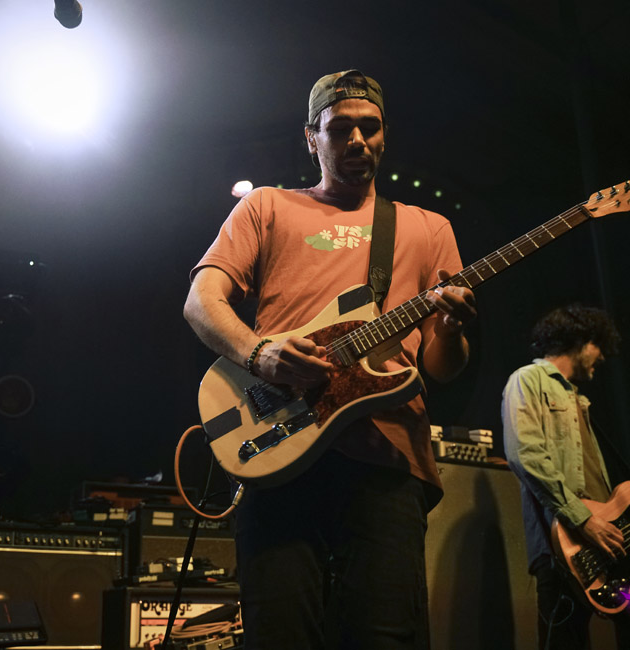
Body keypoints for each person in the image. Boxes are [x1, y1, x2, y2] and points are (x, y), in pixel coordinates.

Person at [183, 70, 477, 649]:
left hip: (388, 460)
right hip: (280, 452)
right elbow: (201, 301)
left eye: (370, 128)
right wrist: (259, 353)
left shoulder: (427, 227)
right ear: (311, 138)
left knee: (384, 636)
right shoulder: (267, 206)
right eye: (341, 128)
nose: (358, 140)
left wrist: (449, 327)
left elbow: (442, 367)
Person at [502, 304, 630, 650]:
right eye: (599, 345)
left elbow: (605, 494)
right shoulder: (527, 380)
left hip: (612, 548)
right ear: (580, 339)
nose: (603, 357)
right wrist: (583, 520)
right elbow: (525, 454)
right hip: (562, 548)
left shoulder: (579, 400)